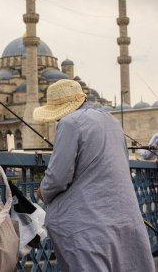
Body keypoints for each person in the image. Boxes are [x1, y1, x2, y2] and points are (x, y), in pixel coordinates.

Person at [33, 79, 155, 272]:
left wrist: (43, 192)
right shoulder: (111, 120)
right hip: (124, 217)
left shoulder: (69, 123)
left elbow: (58, 177)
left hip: (87, 225)